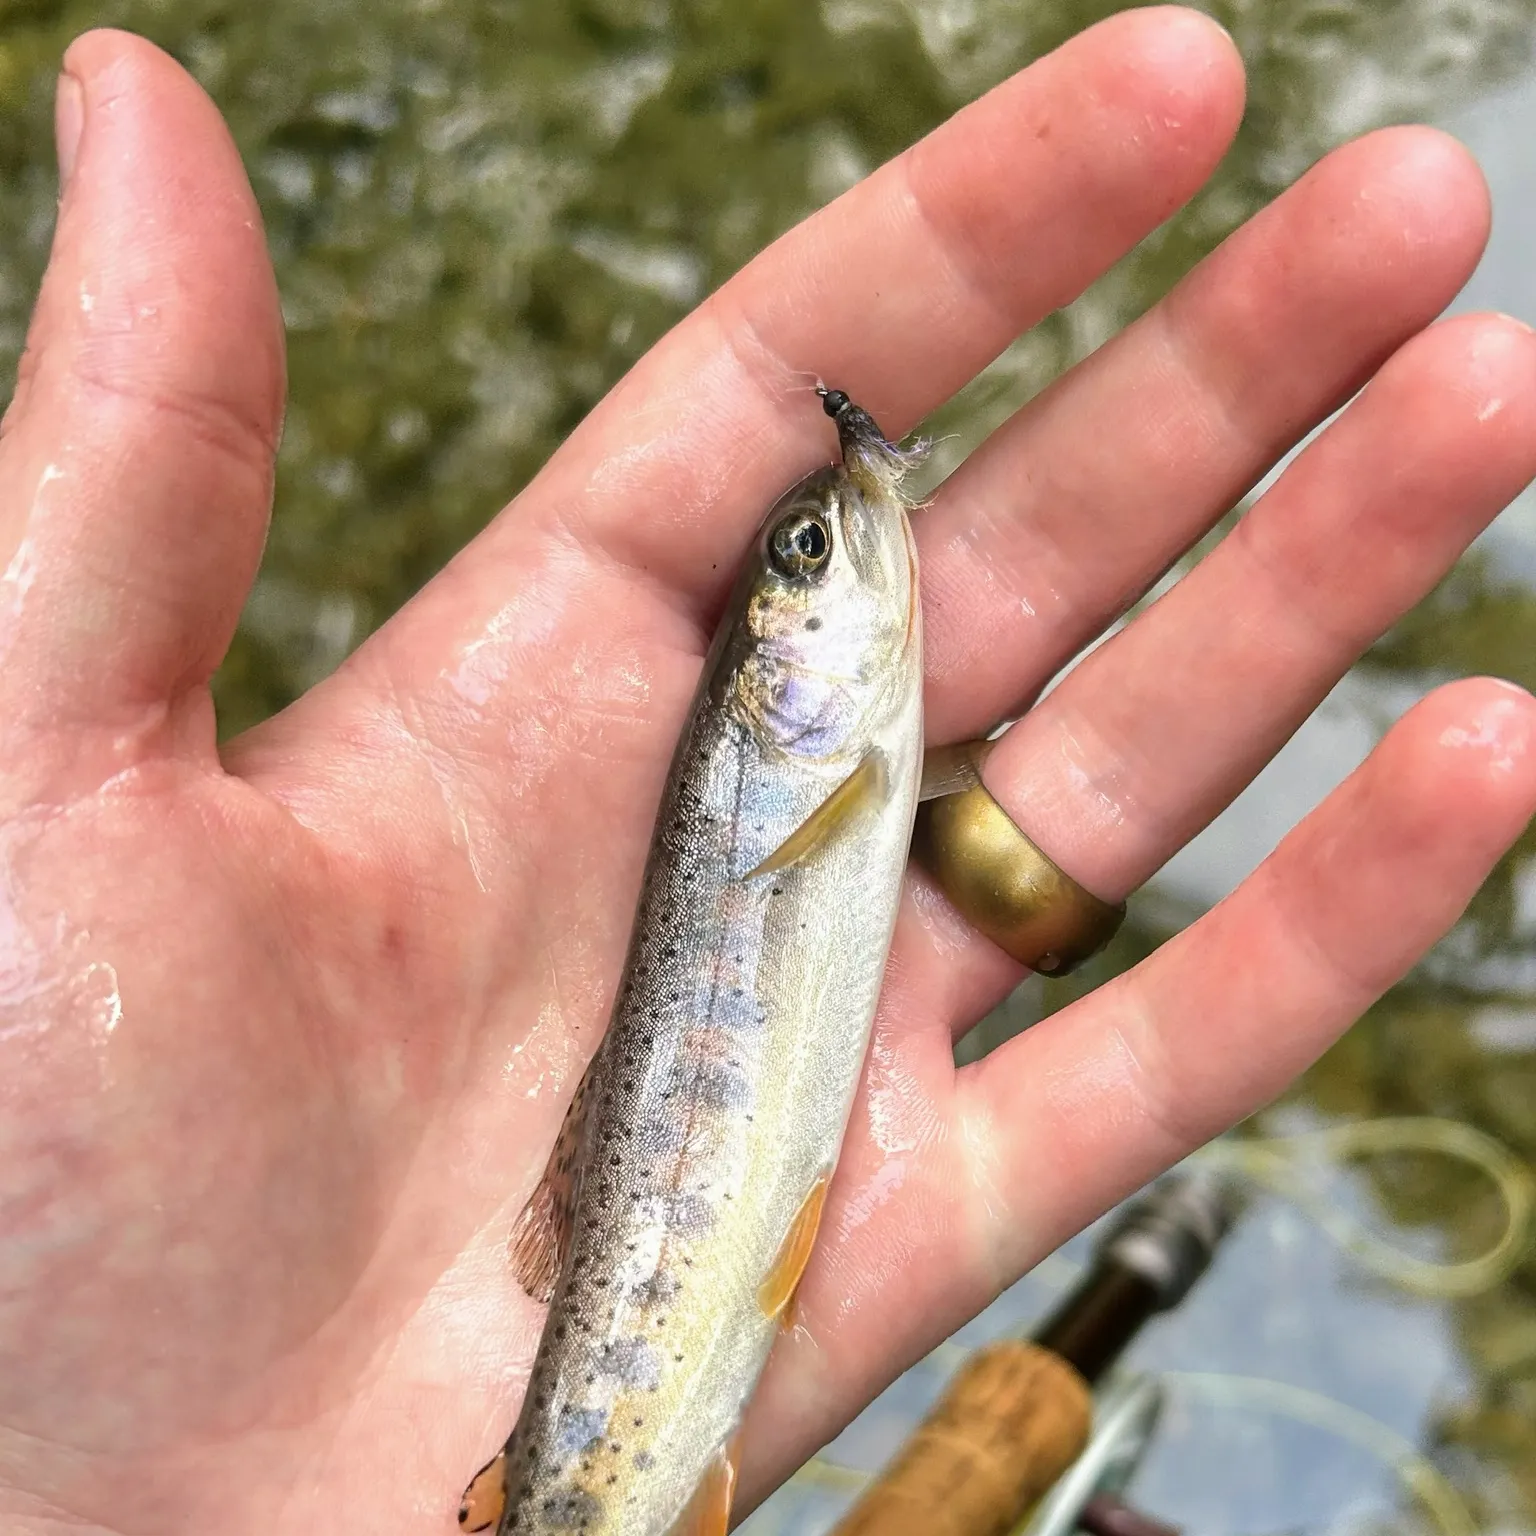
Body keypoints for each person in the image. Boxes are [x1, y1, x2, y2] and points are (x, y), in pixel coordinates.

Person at [2, 7, 1534, 1533]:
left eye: (798, 552)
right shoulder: (839, 760)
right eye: (810, 554)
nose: (834, 536)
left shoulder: (846, 756)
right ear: (766, 687)